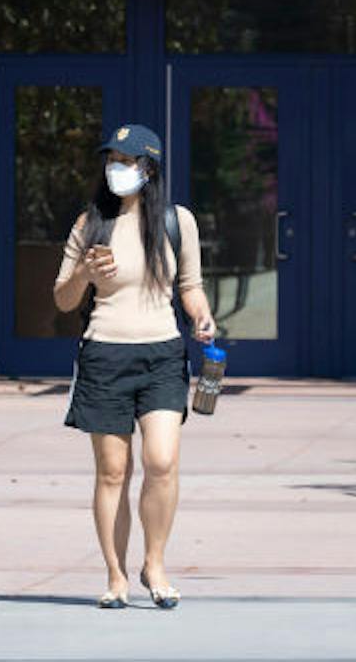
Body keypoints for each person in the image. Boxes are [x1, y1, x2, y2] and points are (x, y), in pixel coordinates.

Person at [53, 124, 216, 610]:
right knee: (112, 472)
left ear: (149, 168)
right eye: (111, 159)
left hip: (162, 353)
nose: (115, 169)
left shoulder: (175, 221)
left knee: (161, 461)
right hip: (104, 354)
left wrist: (201, 316)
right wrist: (83, 273)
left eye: (125, 160)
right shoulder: (89, 224)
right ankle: (115, 575)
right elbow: (62, 300)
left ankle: (156, 563)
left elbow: (190, 284)